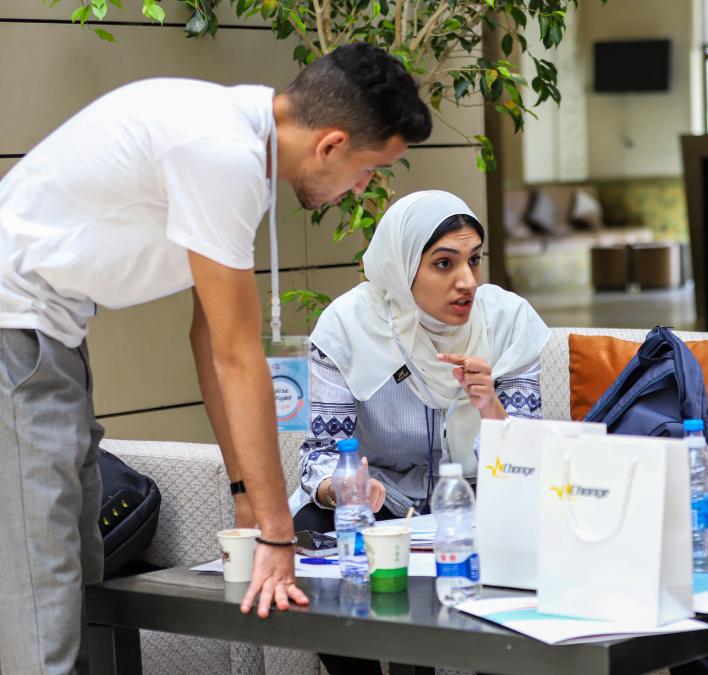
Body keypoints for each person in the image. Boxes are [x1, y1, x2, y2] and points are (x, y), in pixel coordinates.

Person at [0, 43, 431, 674]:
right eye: (369, 170)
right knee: (45, 602)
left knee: (78, 583)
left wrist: (247, 495)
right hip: (17, 331)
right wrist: (277, 535)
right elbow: (236, 356)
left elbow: (207, 337)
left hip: (51, 333)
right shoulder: (221, 152)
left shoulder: (240, 151)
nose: (361, 188)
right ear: (332, 144)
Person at [291, 190, 549, 675]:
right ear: (401, 265)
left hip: (476, 502)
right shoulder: (347, 328)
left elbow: (528, 463)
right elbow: (319, 454)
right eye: (444, 264)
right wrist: (341, 486)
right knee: (311, 525)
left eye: (473, 260)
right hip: (381, 502)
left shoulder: (508, 323)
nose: (467, 281)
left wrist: (489, 405)